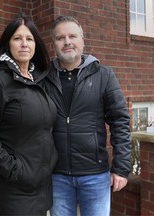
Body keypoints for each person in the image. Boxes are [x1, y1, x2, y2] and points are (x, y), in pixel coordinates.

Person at [0, 16, 58, 216]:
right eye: (17, 38)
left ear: (36, 44)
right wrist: (15, 171)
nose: (24, 44)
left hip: (40, 189)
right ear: (8, 43)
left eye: (30, 38)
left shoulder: (37, 82)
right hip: (12, 192)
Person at [44, 16, 132, 216]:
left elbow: (120, 121)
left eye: (72, 36)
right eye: (60, 38)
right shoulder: (44, 78)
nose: (67, 41)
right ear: (54, 44)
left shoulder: (104, 75)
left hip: (95, 175)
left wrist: (121, 168)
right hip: (56, 176)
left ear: (82, 40)